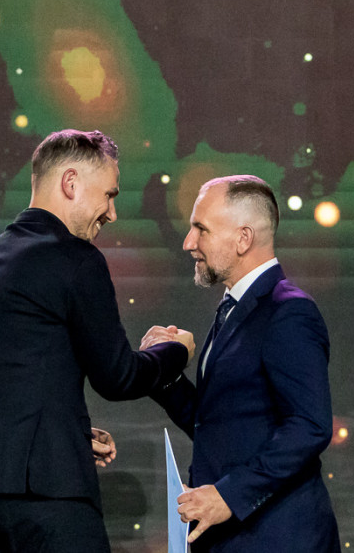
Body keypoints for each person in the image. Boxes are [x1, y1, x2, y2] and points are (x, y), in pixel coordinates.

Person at [0, 129, 195, 553]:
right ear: (70, 182)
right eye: (108, 195)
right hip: (44, 496)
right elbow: (118, 377)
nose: (112, 213)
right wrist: (176, 351)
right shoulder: (75, 259)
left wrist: (60, 430)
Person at [143, 175, 339, 551]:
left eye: (201, 229)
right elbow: (220, 424)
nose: (188, 243)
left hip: (277, 539)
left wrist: (228, 496)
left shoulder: (288, 311)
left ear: (243, 238)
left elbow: (309, 426)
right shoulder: (234, 309)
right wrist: (166, 374)